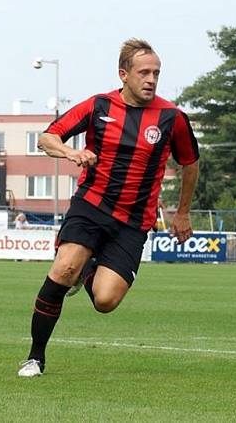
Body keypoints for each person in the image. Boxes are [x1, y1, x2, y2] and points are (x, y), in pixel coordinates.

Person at [18, 38, 200, 377]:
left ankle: (87, 270)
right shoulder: (98, 106)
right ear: (124, 74)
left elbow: (190, 163)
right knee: (62, 271)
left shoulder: (172, 117)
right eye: (144, 72)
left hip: (133, 222)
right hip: (91, 206)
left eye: (156, 73)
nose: (151, 79)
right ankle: (35, 357)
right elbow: (47, 137)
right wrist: (70, 152)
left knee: (105, 301)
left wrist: (183, 212)